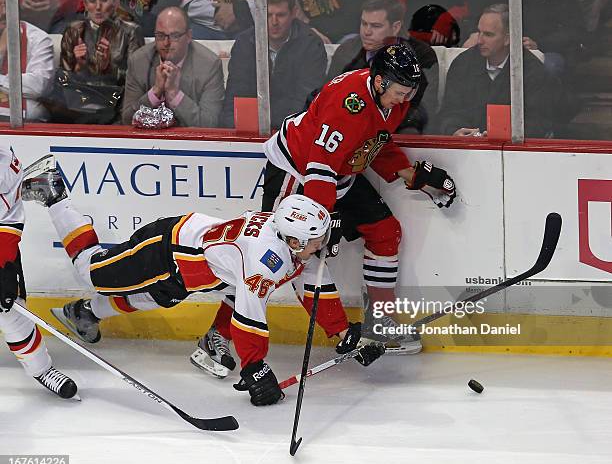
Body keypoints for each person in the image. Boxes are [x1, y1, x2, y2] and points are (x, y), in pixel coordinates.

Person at [21, 169, 384, 406]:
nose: (322, 245)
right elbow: (250, 317)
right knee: (91, 272)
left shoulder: (289, 245)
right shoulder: (265, 261)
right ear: (292, 241)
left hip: (192, 271)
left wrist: (343, 334)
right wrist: (254, 368)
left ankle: (84, 313)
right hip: (165, 251)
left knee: (148, 299)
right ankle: (54, 193)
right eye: (316, 240)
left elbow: (312, 286)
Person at [262, 44, 457, 355]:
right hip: (297, 172)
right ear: (380, 82)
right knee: (285, 256)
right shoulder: (347, 104)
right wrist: (321, 224)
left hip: (339, 174)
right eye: (400, 91)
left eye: (410, 91)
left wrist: (417, 177)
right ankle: (216, 335)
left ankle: (378, 324)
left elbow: (373, 142)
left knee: (385, 231)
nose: (405, 99)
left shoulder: (393, 100)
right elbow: (320, 168)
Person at [0, 149, 78, 399]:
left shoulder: (4, 168)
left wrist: (3, 268)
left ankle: (41, 369)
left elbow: (7, 221)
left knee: (10, 313)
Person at [437, 3, 556, 137]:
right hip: (467, 148)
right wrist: (455, 130)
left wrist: (506, 134)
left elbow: (539, 120)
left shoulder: (531, 70)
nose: (480, 40)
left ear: (508, 39)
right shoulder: (462, 64)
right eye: (479, 33)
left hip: (511, 150)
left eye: (488, 34)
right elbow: (449, 111)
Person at [326, 0, 439, 134]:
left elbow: (422, 109)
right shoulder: (347, 52)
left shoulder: (422, 55)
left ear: (396, 27)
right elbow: (328, 96)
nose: (366, 32)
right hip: (347, 129)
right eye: (364, 23)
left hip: (398, 132)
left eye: (376, 26)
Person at [220, 0, 327, 129]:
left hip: (292, 133)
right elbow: (235, 97)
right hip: (250, 131)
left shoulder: (311, 45)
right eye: (268, 15)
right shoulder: (245, 43)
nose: (274, 22)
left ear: (294, 13)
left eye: (281, 15)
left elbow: (306, 101)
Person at [122, 6, 225, 127]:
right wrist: (155, 92)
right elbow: (127, 120)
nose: (166, 43)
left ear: (188, 36)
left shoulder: (209, 65)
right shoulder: (139, 61)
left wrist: (174, 94)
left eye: (174, 36)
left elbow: (210, 124)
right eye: (160, 36)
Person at [0, 0, 54, 122]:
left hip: (25, 119)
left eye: (7, 5)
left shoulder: (39, 38)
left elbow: (37, 86)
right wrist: (1, 52)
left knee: (35, 110)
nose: (4, 12)